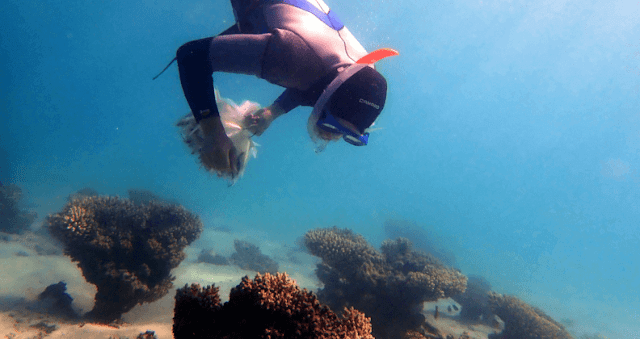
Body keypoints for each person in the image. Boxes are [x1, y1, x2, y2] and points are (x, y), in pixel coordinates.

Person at [175, 0, 394, 177]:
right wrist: (213, 132)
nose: (331, 137)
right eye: (333, 126)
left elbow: (317, 84)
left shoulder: (362, 76)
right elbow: (191, 57)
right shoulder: (288, 57)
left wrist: (273, 112)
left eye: (350, 136)